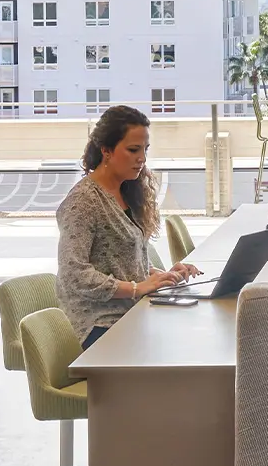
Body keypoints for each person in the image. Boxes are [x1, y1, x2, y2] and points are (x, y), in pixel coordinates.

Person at [56, 105, 200, 347]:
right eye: (133, 150)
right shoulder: (83, 202)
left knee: (189, 337)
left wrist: (161, 275)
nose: (141, 158)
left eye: (144, 150)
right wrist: (137, 288)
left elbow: (120, 261)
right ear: (106, 151)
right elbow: (75, 275)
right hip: (97, 324)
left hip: (129, 314)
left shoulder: (126, 191)